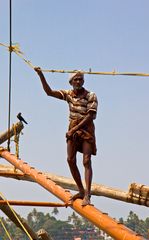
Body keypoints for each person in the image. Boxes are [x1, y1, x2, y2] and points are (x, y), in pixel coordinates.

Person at [34, 67, 98, 206]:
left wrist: (74, 128)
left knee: (86, 161)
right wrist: (41, 75)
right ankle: (80, 190)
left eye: (80, 79)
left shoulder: (91, 95)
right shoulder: (69, 94)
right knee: (70, 160)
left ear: (83, 80)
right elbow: (49, 92)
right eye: (76, 79)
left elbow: (90, 115)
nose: (78, 81)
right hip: (73, 130)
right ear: (71, 82)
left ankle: (87, 195)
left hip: (86, 129)